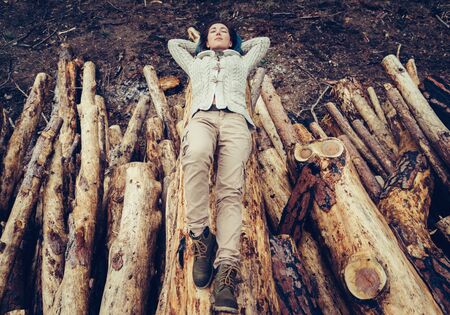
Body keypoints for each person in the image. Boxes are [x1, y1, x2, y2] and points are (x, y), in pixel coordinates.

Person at [168, 21, 270, 313]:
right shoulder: (195, 63)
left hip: (236, 121)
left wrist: (234, 47)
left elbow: (261, 42)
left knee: (230, 189)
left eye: (224, 30)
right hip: (202, 119)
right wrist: (202, 46)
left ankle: (226, 270)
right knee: (196, 157)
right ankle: (201, 236)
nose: (217, 32)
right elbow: (175, 45)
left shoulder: (241, 59)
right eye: (212, 30)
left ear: (233, 40)